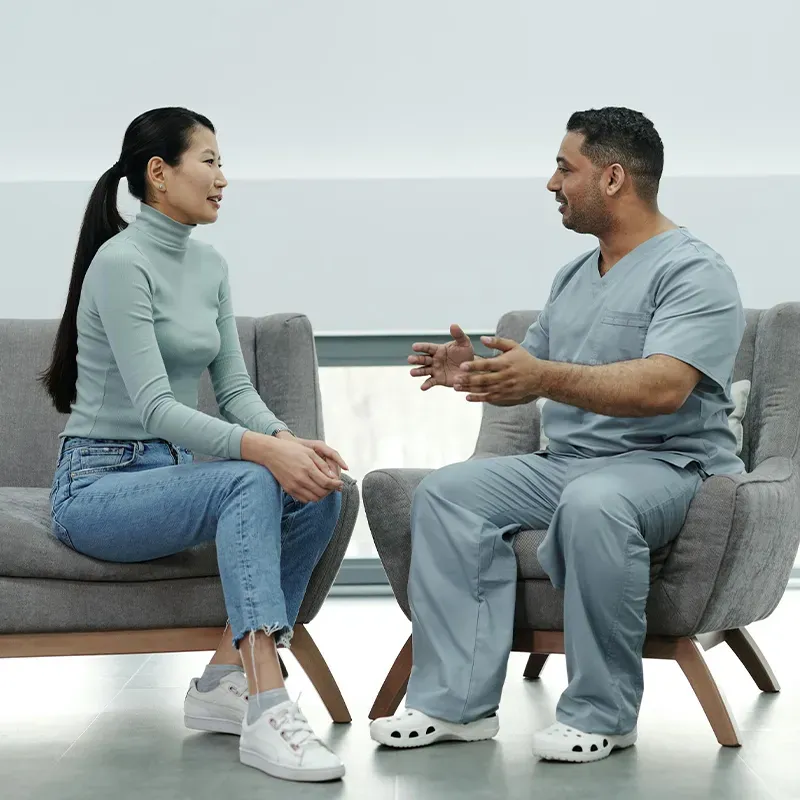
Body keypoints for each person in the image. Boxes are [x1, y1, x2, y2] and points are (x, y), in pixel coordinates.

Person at [370, 107, 745, 763]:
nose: (551, 183)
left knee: (596, 503)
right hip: (567, 461)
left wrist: (540, 373)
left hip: (666, 464)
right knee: (449, 493)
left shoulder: (695, 272)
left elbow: (663, 387)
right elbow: (537, 369)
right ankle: (455, 705)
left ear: (612, 177)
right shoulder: (575, 274)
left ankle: (602, 714)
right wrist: (479, 371)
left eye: (564, 168)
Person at [42, 107, 347, 783]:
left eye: (221, 162)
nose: (222, 178)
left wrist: (289, 442)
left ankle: (221, 684)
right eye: (208, 161)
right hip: (97, 489)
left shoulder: (208, 264)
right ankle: (269, 705)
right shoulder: (120, 265)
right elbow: (157, 407)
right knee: (251, 477)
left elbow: (234, 389)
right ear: (159, 173)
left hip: (168, 479)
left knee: (322, 494)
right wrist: (262, 455)